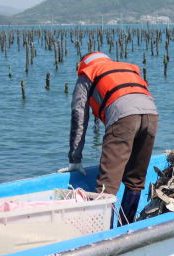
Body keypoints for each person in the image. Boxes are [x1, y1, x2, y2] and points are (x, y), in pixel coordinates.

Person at [59, 52, 158, 226]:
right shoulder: (126, 69)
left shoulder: (87, 75)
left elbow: (79, 116)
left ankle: (102, 233)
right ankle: (126, 227)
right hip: (152, 115)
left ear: (83, 65)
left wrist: (75, 158)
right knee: (135, 181)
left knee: (107, 185)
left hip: (123, 118)